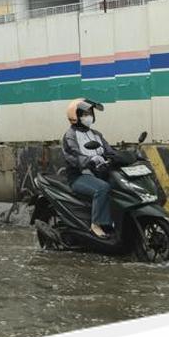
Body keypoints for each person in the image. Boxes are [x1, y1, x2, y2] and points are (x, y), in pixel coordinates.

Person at [61, 98, 116, 239]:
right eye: (85, 114)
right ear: (76, 116)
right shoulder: (70, 136)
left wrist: (124, 156)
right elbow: (73, 156)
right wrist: (90, 160)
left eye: (90, 113)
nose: (89, 117)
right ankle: (96, 225)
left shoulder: (96, 134)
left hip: (99, 173)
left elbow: (109, 151)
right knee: (102, 188)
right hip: (79, 176)